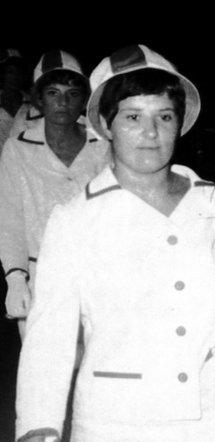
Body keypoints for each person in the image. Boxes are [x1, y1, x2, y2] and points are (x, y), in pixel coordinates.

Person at [3, 44, 215, 442]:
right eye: (133, 117)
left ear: (181, 121)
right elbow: (48, 342)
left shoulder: (212, 204)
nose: (150, 132)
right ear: (105, 124)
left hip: (207, 432)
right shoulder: (73, 220)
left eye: (164, 116)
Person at [0, 50, 110, 339]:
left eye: (73, 94)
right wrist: (15, 278)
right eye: (53, 92)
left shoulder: (103, 144)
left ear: (84, 100)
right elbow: (9, 220)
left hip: (99, 274)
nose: (63, 102)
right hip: (42, 277)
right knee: (46, 375)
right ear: (38, 98)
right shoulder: (18, 148)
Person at [0, 48, 30, 147]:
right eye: (10, 72)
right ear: (2, 74)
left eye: (19, 72)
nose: (15, 77)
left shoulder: (33, 104)